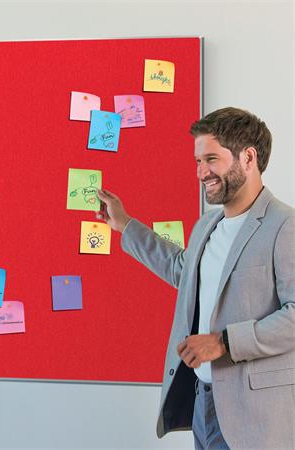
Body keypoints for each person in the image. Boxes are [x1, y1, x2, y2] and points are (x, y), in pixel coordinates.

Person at [96, 107, 294, 450]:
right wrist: (125, 225)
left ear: (248, 158)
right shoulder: (207, 225)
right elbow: (182, 270)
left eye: (211, 159)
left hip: (256, 417)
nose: (201, 172)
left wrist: (224, 342)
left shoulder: (285, 226)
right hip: (205, 402)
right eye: (198, 161)